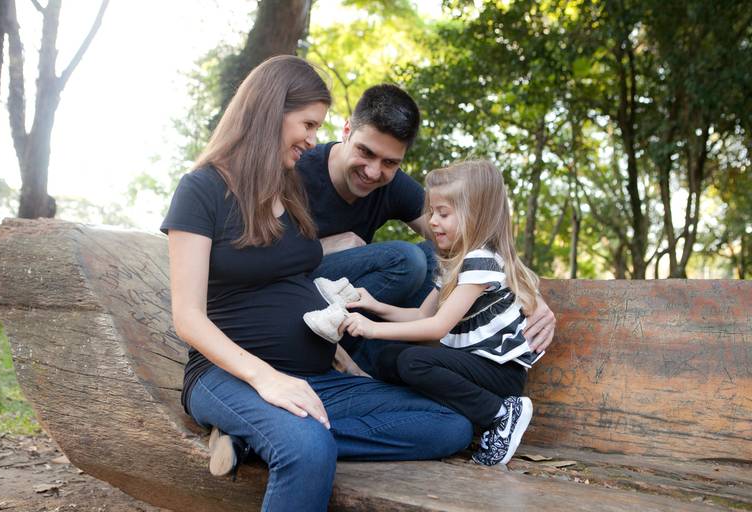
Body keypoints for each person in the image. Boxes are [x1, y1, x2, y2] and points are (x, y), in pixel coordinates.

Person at [161, 55, 472, 511]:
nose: (312, 139)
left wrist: (518, 284)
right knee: (308, 450)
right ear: (271, 112)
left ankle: (251, 440)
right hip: (228, 375)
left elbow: (302, 284)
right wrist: (266, 379)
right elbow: (187, 317)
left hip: (315, 378)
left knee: (449, 424)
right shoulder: (202, 189)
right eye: (308, 124)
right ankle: (290, 436)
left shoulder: (289, 189)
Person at [296, 85, 556, 375]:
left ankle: (377, 364)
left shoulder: (393, 184)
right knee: (407, 260)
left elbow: (473, 238)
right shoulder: (298, 170)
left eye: (390, 162)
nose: (373, 171)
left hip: (352, 303)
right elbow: (265, 261)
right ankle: (339, 353)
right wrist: (326, 246)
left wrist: (528, 291)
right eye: (365, 152)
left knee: (436, 255)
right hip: (295, 291)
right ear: (347, 131)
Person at [342, 160, 542, 466]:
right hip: (469, 369)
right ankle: (428, 410)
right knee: (388, 356)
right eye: (432, 212)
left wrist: (372, 329)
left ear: (475, 215)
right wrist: (373, 306)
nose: (432, 221)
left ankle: (501, 413)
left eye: (443, 213)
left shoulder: (482, 261)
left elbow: (437, 328)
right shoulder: (455, 263)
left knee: (413, 361)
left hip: (498, 375)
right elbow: (421, 316)